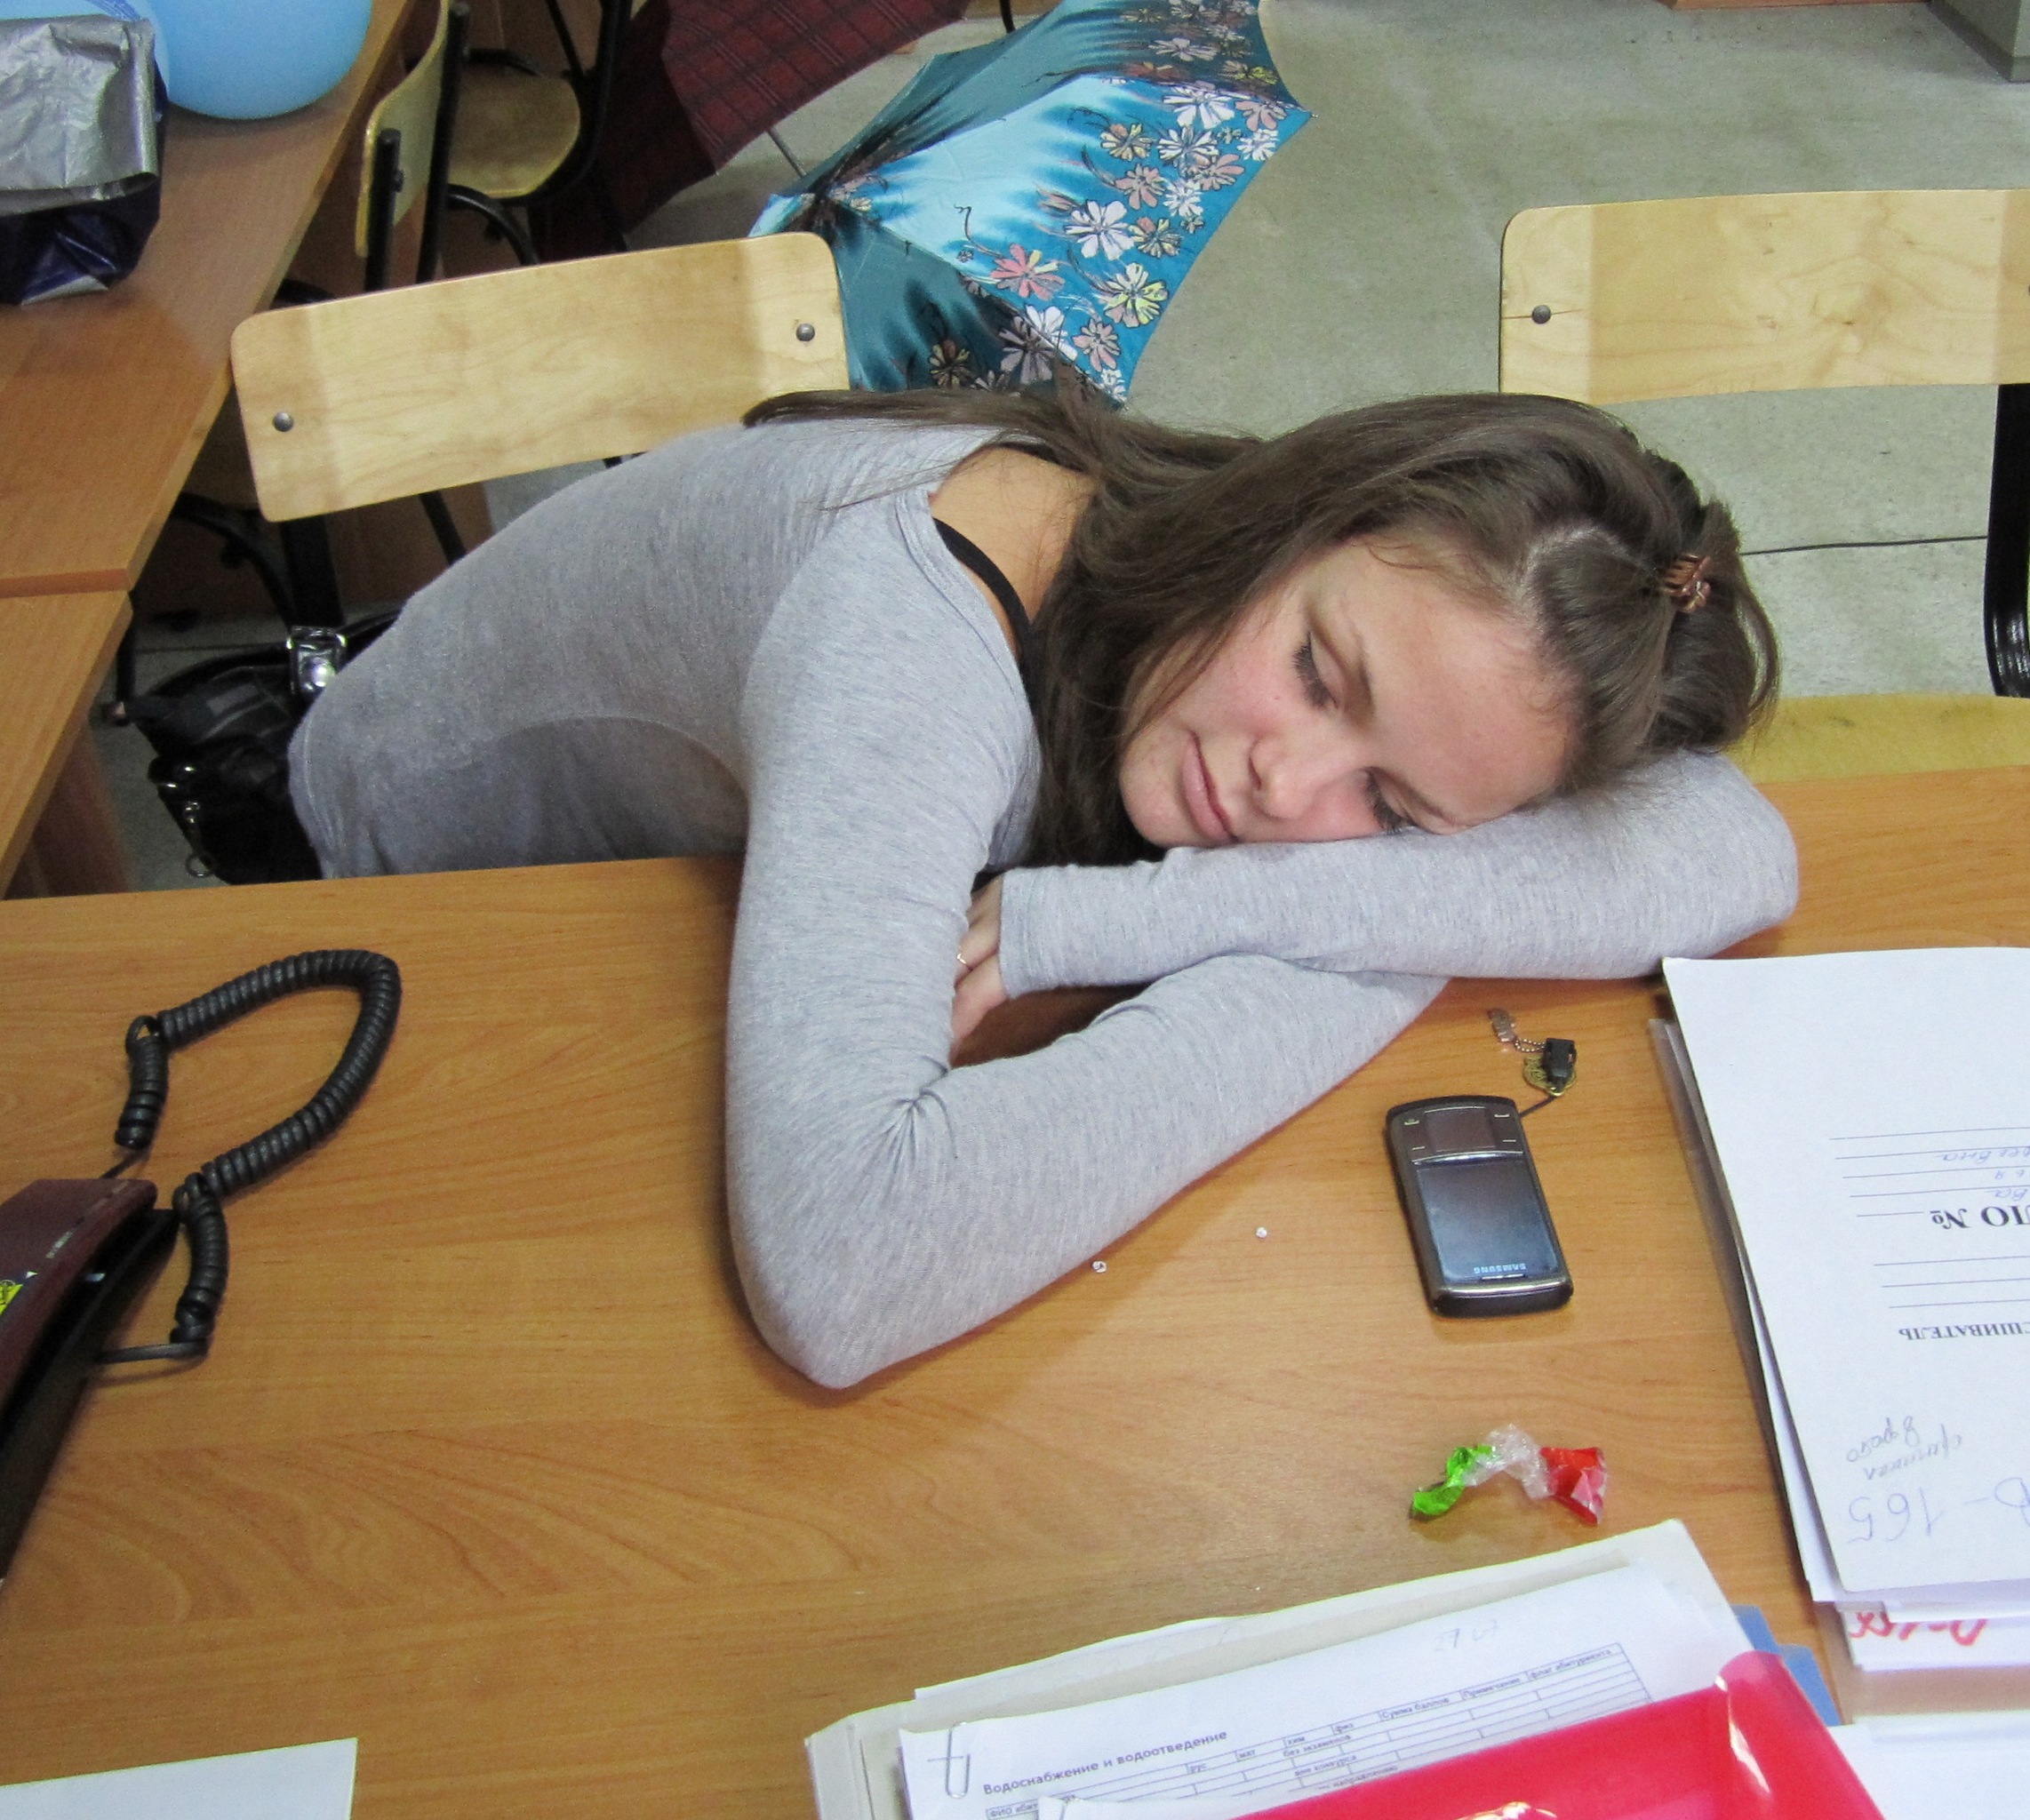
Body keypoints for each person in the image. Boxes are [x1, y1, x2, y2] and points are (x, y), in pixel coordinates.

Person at [289, 385, 1796, 1389]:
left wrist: (1172, 920)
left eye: (1396, 812)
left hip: (684, 873)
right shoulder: (911, 639)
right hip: (431, 916)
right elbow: (846, 1265)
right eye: (1317, 674)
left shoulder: (1237, 595)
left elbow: (1738, 847)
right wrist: (1404, 936)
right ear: (1299, 520)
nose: (1286, 793)